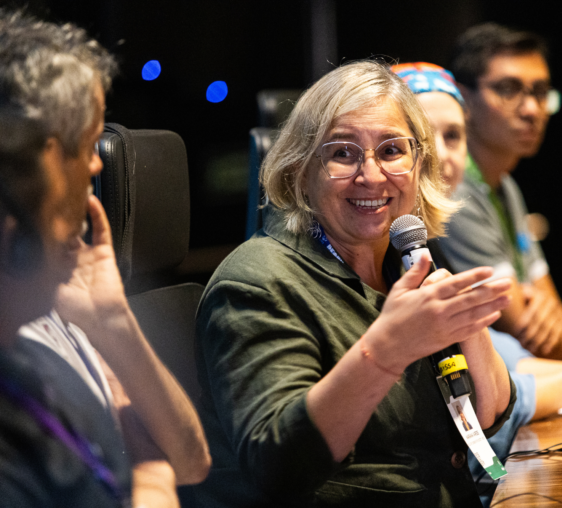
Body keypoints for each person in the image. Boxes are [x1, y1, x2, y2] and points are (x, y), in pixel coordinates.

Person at [195, 60, 515, 508]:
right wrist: (386, 351)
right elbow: (279, 465)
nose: (371, 175)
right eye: (343, 153)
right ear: (301, 170)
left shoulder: (405, 260)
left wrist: (470, 328)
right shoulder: (255, 283)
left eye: (391, 150)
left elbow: (487, 416)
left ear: (419, 163)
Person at [393, 62, 562, 504]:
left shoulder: (476, 209)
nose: (442, 156)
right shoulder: (400, 255)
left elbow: (514, 354)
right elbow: (510, 365)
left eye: (453, 137)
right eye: (420, 141)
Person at [0, 9, 209, 507]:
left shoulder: (34, 345)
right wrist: (152, 482)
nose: (98, 165)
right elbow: (161, 468)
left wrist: (111, 321)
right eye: (89, 143)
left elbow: (191, 459)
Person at [441, 23, 562, 360]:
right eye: (509, 90)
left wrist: (559, 325)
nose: (532, 110)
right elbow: (529, 333)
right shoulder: (453, 189)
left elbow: (551, 308)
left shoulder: (506, 185)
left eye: (540, 91)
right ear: (462, 99)